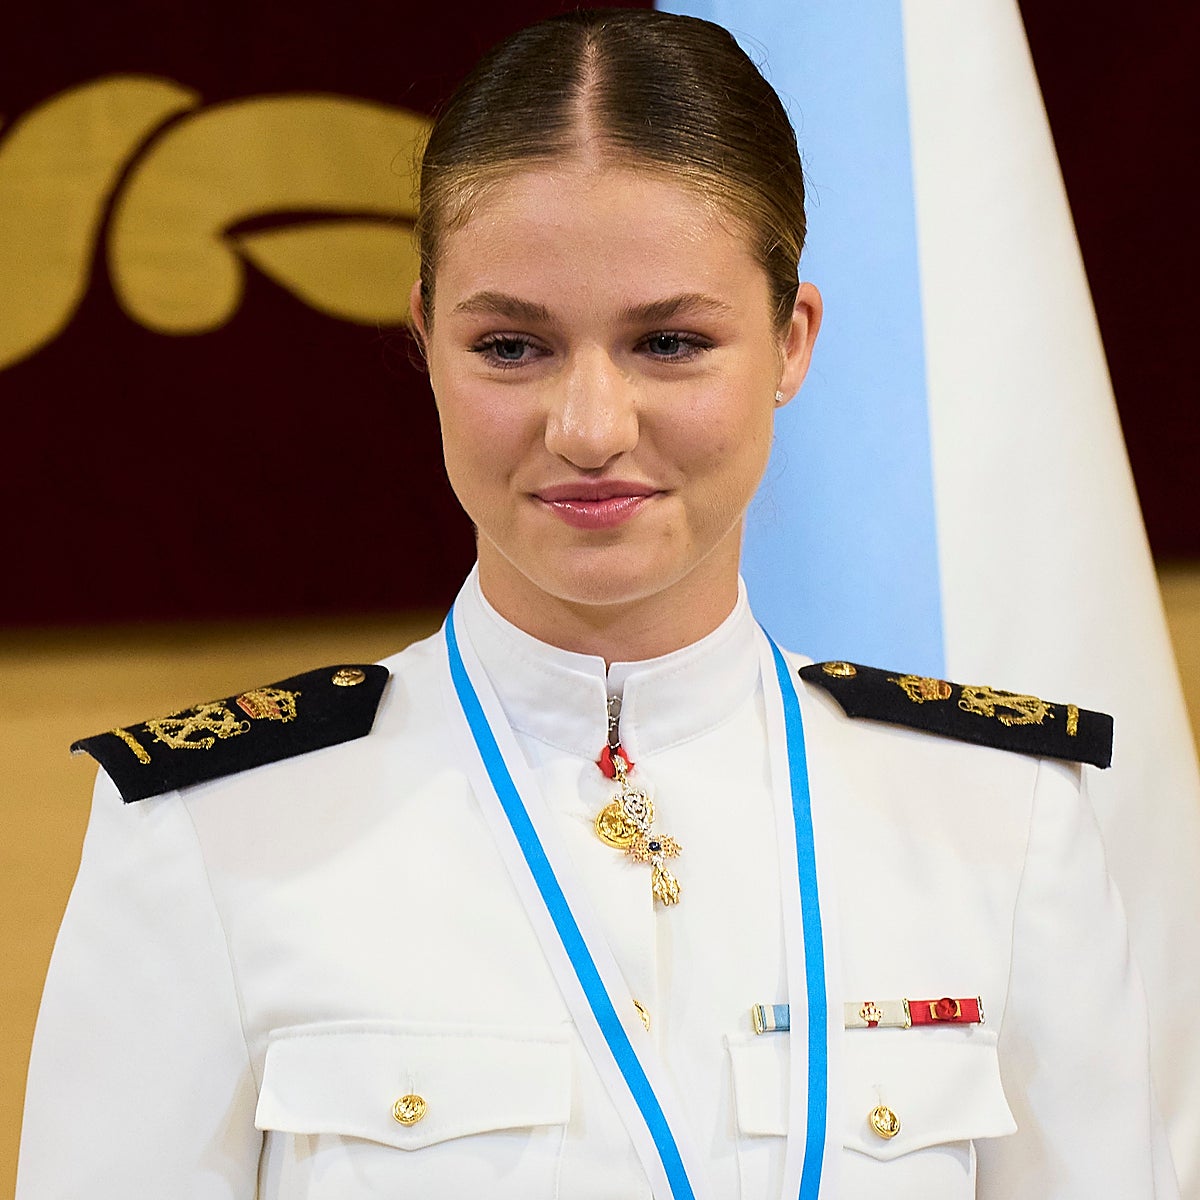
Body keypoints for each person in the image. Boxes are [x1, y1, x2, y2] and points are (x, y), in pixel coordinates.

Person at [16, 9, 1178, 1198]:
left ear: (792, 340)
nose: (589, 430)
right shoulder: (215, 830)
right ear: (424, 340)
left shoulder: (1003, 820)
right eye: (512, 348)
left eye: (669, 342)